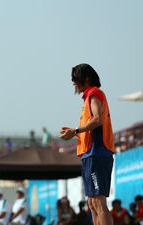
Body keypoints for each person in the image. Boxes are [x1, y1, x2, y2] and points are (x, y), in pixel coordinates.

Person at [60, 63, 114, 225]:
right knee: (92, 203)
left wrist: (75, 131)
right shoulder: (88, 97)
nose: (73, 82)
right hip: (90, 154)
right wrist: (75, 133)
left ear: (87, 79)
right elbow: (91, 127)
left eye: (75, 79)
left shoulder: (94, 93)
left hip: (97, 153)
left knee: (98, 202)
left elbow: (97, 120)